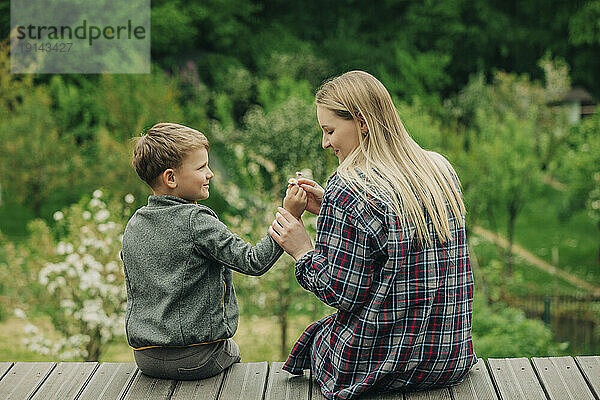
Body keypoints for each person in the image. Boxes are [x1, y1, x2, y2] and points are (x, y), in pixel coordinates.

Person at [269, 71, 477, 399]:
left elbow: (341, 293)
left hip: (382, 366)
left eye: (330, 130)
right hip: (447, 359)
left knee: (318, 343)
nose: (325, 143)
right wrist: (330, 209)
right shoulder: (439, 169)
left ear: (362, 122)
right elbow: (400, 236)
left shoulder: (349, 186)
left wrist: (301, 249)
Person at [121, 122, 307, 380]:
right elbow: (253, 262)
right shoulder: (196, 220)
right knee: (232, 351)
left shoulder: (134, 223)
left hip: (145, 358)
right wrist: (290, 215)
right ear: (171, 178)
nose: (210, 174)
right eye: (201, 167)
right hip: (197, 358)